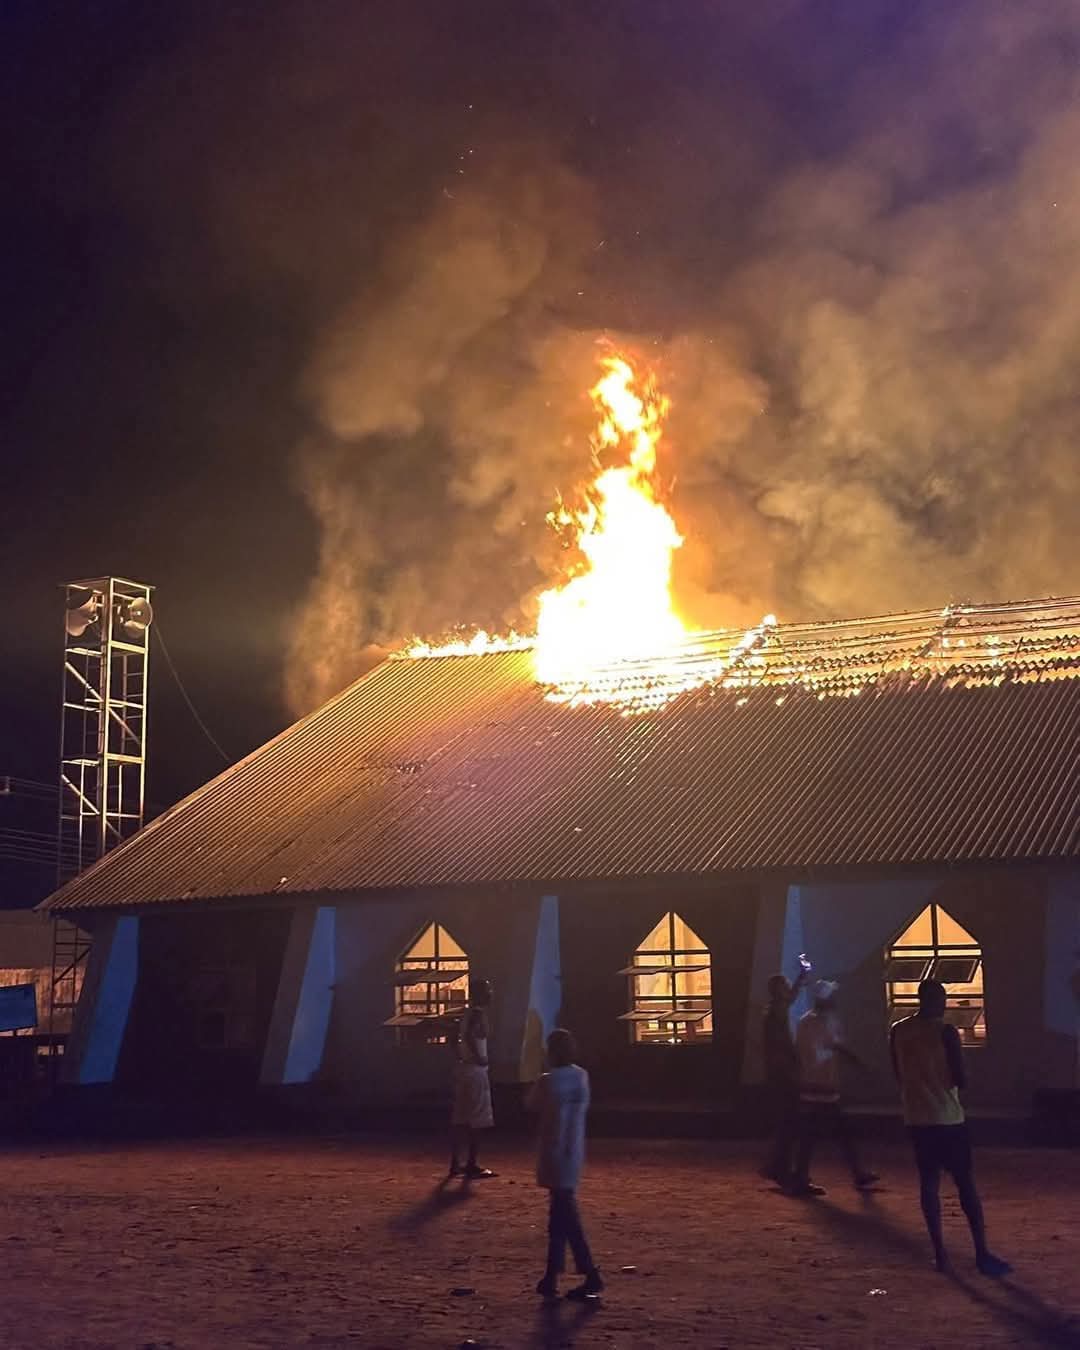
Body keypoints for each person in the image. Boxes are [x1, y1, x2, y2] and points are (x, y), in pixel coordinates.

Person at [891, 979, 1010, 1276]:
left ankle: (940, 1254)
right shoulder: (945, 1032)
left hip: (916, 1118)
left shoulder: (898, 1030)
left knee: (928, 1184)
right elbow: (961, 1079)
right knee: (965, 1185)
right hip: (947, 1117)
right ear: (937, 1000)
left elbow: (898, 1073)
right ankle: (981, 1253)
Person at [529, 1028, 603, 1301]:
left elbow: (530, 1104)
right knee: (560, 1214)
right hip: (574, 1151)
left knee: (565, 1217)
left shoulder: (548, 1081)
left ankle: (588, 1273)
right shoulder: (581, 1076)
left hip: (553, 1151)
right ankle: (552, 1274)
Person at [790, 979, 879, 1196]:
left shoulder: (817, 1021)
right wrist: (840, 1053)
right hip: (817, 1088)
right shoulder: (812, 1023)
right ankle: (853, 1173)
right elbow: (815, 1054)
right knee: (828, 1134)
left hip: (821, 1087)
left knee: (819, 1136)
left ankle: (805, 1177)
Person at [761, 959, 810, 1184]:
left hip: (776, 1071)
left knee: (785, 1121)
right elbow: (782, 1044)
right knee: (788, 1120)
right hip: (782, 1072)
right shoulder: (777, 1011)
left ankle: (776, 1166)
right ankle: (780, 1167)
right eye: (785, 985)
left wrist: (801, 975)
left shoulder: (773, 1009)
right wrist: (795, 1062)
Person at [449, 977, 496, 1179]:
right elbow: (468, 1035)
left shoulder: (465, 1014)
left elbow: (454, 1037)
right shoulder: (478, 1014)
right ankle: (472, 1163)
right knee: (477, 1117)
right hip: (475, 1070)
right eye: (488, 990)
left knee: (460, 1117)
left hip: (463, 1068)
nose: (491, 993)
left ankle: (455, 1162)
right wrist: (479, 1057)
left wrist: (461, 1055)